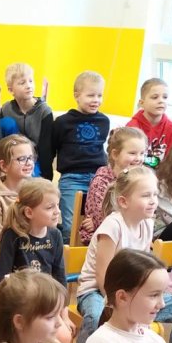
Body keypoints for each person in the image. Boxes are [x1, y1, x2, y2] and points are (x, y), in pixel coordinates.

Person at [73, 167, 172, 343]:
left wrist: (148, 297)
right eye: (146, 195)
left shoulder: (147, 223)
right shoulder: (112, 227)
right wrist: (121, 306)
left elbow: (143, 269)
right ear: (124, 202)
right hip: (97, 291)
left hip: (132, 294)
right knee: (95, 316)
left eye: (155, 195)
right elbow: (103, 277)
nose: (153, 201)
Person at [51, 71, 110, 237]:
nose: (96, 100)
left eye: (99, 95)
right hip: (72, 178)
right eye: (91, 95)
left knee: (98, 224)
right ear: (77, 96)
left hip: (98, 178)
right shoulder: (63, 122)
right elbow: (53, 148)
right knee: (71, 227)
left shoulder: (104, 121)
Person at [77, 126, 146, 245]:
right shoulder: (101, 182)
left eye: (142, 153)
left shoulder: (141, 179)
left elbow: (147, 213)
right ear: (115, 154)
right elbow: (103, 220)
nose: (138, 158)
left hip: (132, 235)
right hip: (102, 237)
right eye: (132, 153)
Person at [0, 178, 66, 288]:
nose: (57, 211)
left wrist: (62, 298)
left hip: (46, 294)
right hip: (20, 295)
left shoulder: (56, 235)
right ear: (29, 212)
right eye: (50, 207)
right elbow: (1, 278)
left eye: (58, 205)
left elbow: (60, 276)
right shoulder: (12, 236)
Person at [0, 62, 53, 179]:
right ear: (11, 90)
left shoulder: (44, 111)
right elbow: (1, 140)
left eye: (31, 81)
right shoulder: (6, 109)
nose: (29, 86)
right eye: (22, 83)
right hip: (14, 158)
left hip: (35, 160)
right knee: (6, 123)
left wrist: (46, 177)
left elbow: (46, 148)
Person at [126, 78, 172, 169]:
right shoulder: (132, 127)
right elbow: (129, 159)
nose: (161, 101)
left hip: (161, 174)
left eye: (165, 97)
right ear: (142, 103)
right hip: (135, 171)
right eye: (155, 97)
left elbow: (171, 162)